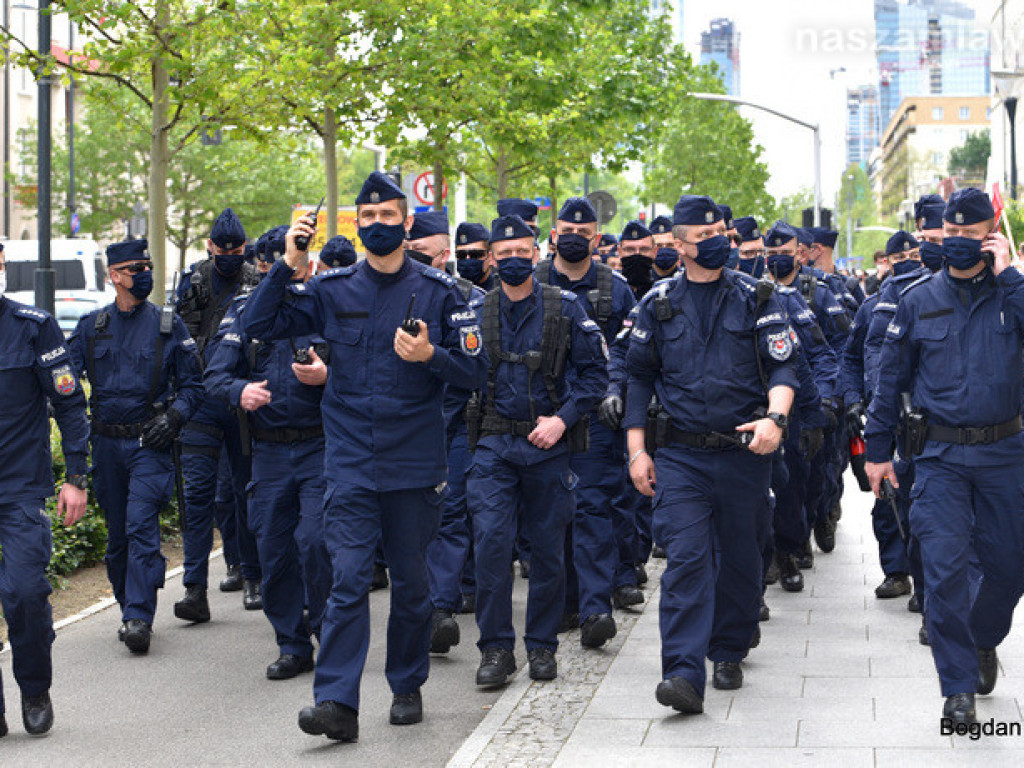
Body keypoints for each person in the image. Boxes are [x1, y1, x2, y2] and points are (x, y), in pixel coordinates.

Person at [242, 171, 487, 741]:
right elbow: (259, 325)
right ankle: (336, 702)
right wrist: (288, 263)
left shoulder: (442, 292)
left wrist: (431, 356)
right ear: (358, 224)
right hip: (350, 461)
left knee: (410, 584)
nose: (378, 226)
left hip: (415, 463)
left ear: (406, 221)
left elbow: (476, 372)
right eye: (367, 218)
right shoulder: (331, 291)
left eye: (387, 217)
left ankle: (406, 683)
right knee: (347, 579)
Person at [624, 195, 798, 710]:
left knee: (743, 556)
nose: (717, 240)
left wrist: (776, 419)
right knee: (687, 559)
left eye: (721, 230)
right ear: (678, 246)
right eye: (703, 236)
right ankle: (681, 673)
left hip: (745, 451)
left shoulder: (758, 296)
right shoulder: (656, 303)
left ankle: (728, 647)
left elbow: (785, 368)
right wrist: (637, 451)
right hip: (680, 456)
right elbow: (637, 377)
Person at [865, 188, 1024, 726]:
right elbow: (891, 380)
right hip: (939, 457)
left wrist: (1012, 278)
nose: (957, 244)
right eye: (950, 235)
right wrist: (878, 451)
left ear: (991, 237)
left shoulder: (1013, 294)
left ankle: (984, 639)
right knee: (945, 569)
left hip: (1006, 453)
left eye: (970, 236)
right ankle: (956, 688)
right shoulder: (917, 299)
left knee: (1009, 566)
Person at [467, 213, 608, 687]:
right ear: (491, 259)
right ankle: (495, 650)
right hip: (493, 446)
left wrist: (563, 419)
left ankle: (542, 647)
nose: (512, 260)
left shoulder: (565, 308)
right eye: (503, 254)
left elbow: (595, 377)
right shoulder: (475, 311)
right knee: (490, 546)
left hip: (548, 447)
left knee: (548, 552)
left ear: (535, 253)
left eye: (520, 252)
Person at [69, 239, 204, 654]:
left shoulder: (168, 324)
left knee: (140, 527)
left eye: (147, 266)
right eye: (134, 268)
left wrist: (174, 419)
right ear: (114, 276)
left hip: (150, 444)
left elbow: (193, 387)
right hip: (107, 446)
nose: (143, 274)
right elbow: (65, 386)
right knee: (117, 538)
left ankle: (138, 618)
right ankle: (128, 606)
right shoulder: (92, 328)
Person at [204, 269, 333, 682]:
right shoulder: (245, 314)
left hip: (321, 446)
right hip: (269, 451)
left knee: (316, 542)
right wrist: (238, 390)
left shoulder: (324, 308)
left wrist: (327, 377)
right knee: (275, 553)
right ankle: (292, 645)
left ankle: (330, 635)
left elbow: (364, 374)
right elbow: (214, 376)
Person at [537, 197, 639, 647]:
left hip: (596, 416)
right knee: (551, 516)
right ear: (553, 235)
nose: (574, 238)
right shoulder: (530, 283)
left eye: (585, 232)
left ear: (597, 238)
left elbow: (629, 352)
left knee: (592, 510)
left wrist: (619, 396)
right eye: (566, 231)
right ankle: (567, 603)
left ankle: (596, 609)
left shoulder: (616, 289)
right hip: (542, 417)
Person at [0, 245, 90, 737]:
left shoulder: (32, 327)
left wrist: (75, 477)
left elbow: (70, 404)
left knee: (25, 593)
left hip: (20, 487)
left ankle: (34, 687)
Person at [174, 208, 264, 621]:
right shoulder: (192, 281)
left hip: (241, 398)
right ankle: (195, 588)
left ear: (244, 248)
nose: (228, 254)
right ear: (209, 246)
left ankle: (253, 575)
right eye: (221, 248)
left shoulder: (256, 281)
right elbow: (179, 337)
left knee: (247, 491)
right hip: (200, 401)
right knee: (197, 497)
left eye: (236, 248)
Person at [453, 222, 496, 292]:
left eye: (475, 254)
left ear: (490, 257)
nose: (467, 259)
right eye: (461, 255)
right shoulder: (450, 293)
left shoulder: (503, 292)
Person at [650, 215, 680, 279]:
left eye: (669, 245)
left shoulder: (689, 280)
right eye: (659, 246)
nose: (664, 250)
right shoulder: (641, 283)